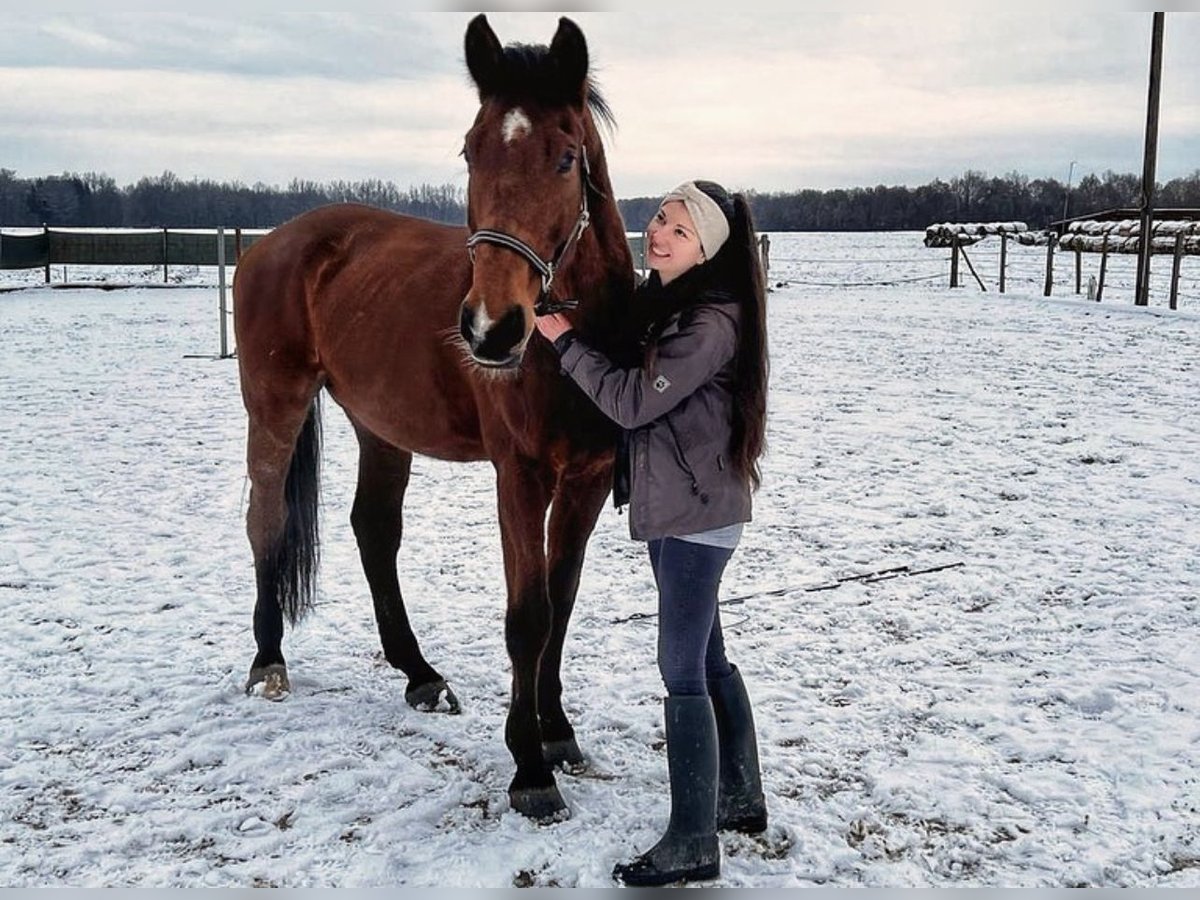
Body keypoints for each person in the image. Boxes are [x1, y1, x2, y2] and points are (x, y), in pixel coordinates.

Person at [535, 179, 770, 887]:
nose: (659, 233)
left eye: (680, 230)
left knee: (682, 672)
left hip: (699, 520)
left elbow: (635, 402)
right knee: (710, 658)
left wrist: (564, 343)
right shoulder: (673, 306)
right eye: (660, 219)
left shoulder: (709, 324)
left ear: (706, 251)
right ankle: (742, 797)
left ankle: (694, 839)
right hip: (684, 510)